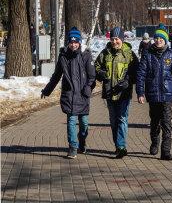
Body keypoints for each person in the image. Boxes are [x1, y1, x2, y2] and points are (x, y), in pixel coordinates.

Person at [41, 27, 96, 159]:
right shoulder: (63, 57)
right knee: (71, 121)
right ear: (68, 43)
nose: (73, 45)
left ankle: (82, 140)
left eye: (75, 42)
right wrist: (47, 90)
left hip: (83, 95)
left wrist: (88, 88)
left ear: (80, 42)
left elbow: (92, 76)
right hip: (69, 95)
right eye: (71, 42)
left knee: (84, 124)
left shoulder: (86, 56)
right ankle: (72, 146)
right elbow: (56, 76)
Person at [136, 29, 172, 161]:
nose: (158, 41)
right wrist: (140, 93)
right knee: (155, 122)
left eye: (161, 39)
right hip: (152, 94)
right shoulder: (147, 55)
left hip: (167, 95)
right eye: (156, 38)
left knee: (167, 123)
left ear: (165, 40)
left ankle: (165, 151)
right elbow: (140, 75)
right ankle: (154, 143)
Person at [95, 26, 139, 159]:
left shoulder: (129, 54)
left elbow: (137, 72)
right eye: (113, 39)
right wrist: (101, 74)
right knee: (113, 121)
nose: (114, 42)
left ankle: (121, 146)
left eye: (117, 39)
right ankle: (117, 144)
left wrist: (128, 81)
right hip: (109, 92)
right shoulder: (105, 53)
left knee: (122, 119)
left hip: (124, 93)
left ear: (122, 39)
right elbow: (96, 67)